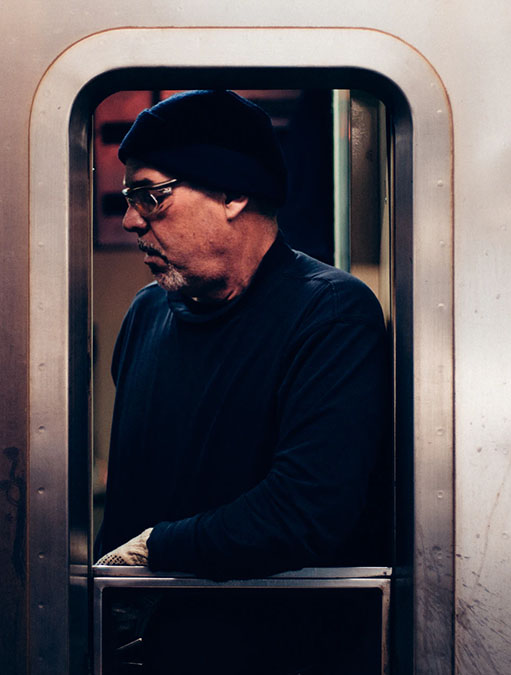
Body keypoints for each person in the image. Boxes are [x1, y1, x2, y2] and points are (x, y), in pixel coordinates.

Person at [94, 90, 390, 583]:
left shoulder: (331, 314)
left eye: (151, 195)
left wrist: (154, 548)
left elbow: (303, 513)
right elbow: (129, 497)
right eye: (129, 199)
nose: (130, 220)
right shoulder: (146, 313)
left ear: (232, 194)